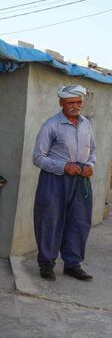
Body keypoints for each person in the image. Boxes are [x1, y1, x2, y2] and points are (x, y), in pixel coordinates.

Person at [33, 85, 96, 281]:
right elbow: (38, 157)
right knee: (50, 220)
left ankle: (72, 264)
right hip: (54, 179)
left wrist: (91, 165)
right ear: (61, 103)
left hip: (81, 180)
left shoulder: (86, 124)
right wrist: (63, 166)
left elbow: (92, 151)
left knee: (79, 221)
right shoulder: (51, 125)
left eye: (78, 102)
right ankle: (46, 264)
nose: (75, 106)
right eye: (71, 102)